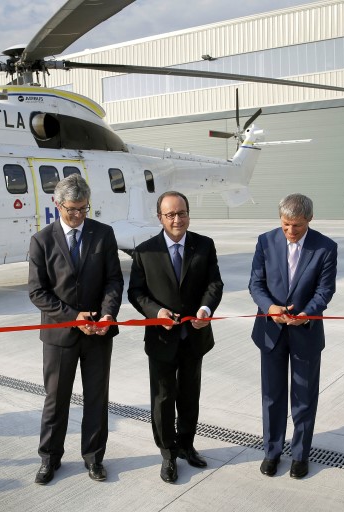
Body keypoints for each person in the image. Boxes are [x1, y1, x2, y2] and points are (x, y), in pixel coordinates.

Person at [28, 174, 124, 485]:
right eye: (73, 210)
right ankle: (49, 458)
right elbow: (37, 292)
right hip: (60, 336)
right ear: (57, 205)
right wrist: (73, 317)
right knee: (56, 399)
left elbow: (113, 280)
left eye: (84, 208)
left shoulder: (104, 234)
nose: (79, 215)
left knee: (97, 398)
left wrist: (108, 315)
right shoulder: (41, 240)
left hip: (98, 333)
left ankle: (94, 458)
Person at [127, 191, 224, 483]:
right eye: (170, 214)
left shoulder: (204, 246)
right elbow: (136, 292)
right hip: (162, 337)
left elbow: (214, 283)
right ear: (160, 218)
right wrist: (156, 312)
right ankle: (168, 453)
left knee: (189, 395)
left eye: (182, 213)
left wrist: (205, 309)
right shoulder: (144, 251)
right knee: (163, 398)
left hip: (195, 336)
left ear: (188, 214)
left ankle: (186, 445)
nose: (177, 219)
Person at [248, 193, 337, 479]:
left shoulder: (325, 248)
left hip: (305, 331)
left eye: (296, 226)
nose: (290, 232)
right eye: (285, 225)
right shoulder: (265, 241)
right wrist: (270, 307)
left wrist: (306, 313)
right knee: (272, 396)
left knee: (303, 397)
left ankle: (300, 455)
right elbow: (256, 284)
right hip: (271, 331)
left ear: (309, 219)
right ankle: (272, 451)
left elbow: (325, 290)